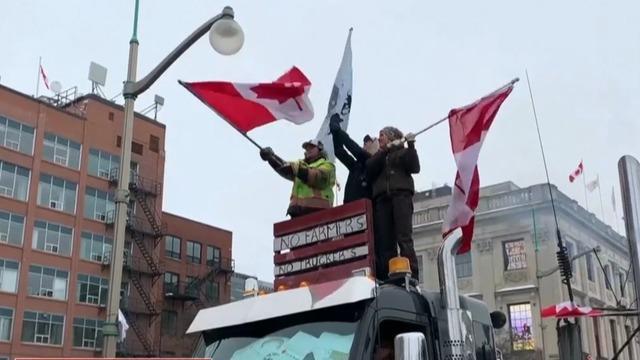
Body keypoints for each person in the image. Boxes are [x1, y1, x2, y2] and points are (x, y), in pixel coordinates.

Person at [366, 126, 420, 281]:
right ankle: (387, 274)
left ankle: (412, 273)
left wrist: (410, 146)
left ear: (391, 137)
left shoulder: (402, 153)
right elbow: (369, 170)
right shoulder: (379, 157)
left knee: (404, 237)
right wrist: (383, 152)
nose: (379, 138)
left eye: (382, 135)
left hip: (400, 196)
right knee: (385, 241)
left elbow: (414, 167)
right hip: (382, 200)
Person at [259, 140, 336, 218]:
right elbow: (284, 167)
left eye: (312, 147)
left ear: (320, 149)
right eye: (307, 149)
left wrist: (295, 168)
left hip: (319, 211)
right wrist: (271, 157)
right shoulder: (300, 165)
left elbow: (317, 177)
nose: (308, 150)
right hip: (297, 213)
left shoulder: (328, 165)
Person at [329, 114, 379, 203]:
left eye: (369, 141)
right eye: (364, 142)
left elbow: (355, 150)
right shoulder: (357, 165)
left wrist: (338, 130)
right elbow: (339, 152)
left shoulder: (375, 161)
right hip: (349, 208)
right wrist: (335, 134)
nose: (365, 143)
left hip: (365, 209)